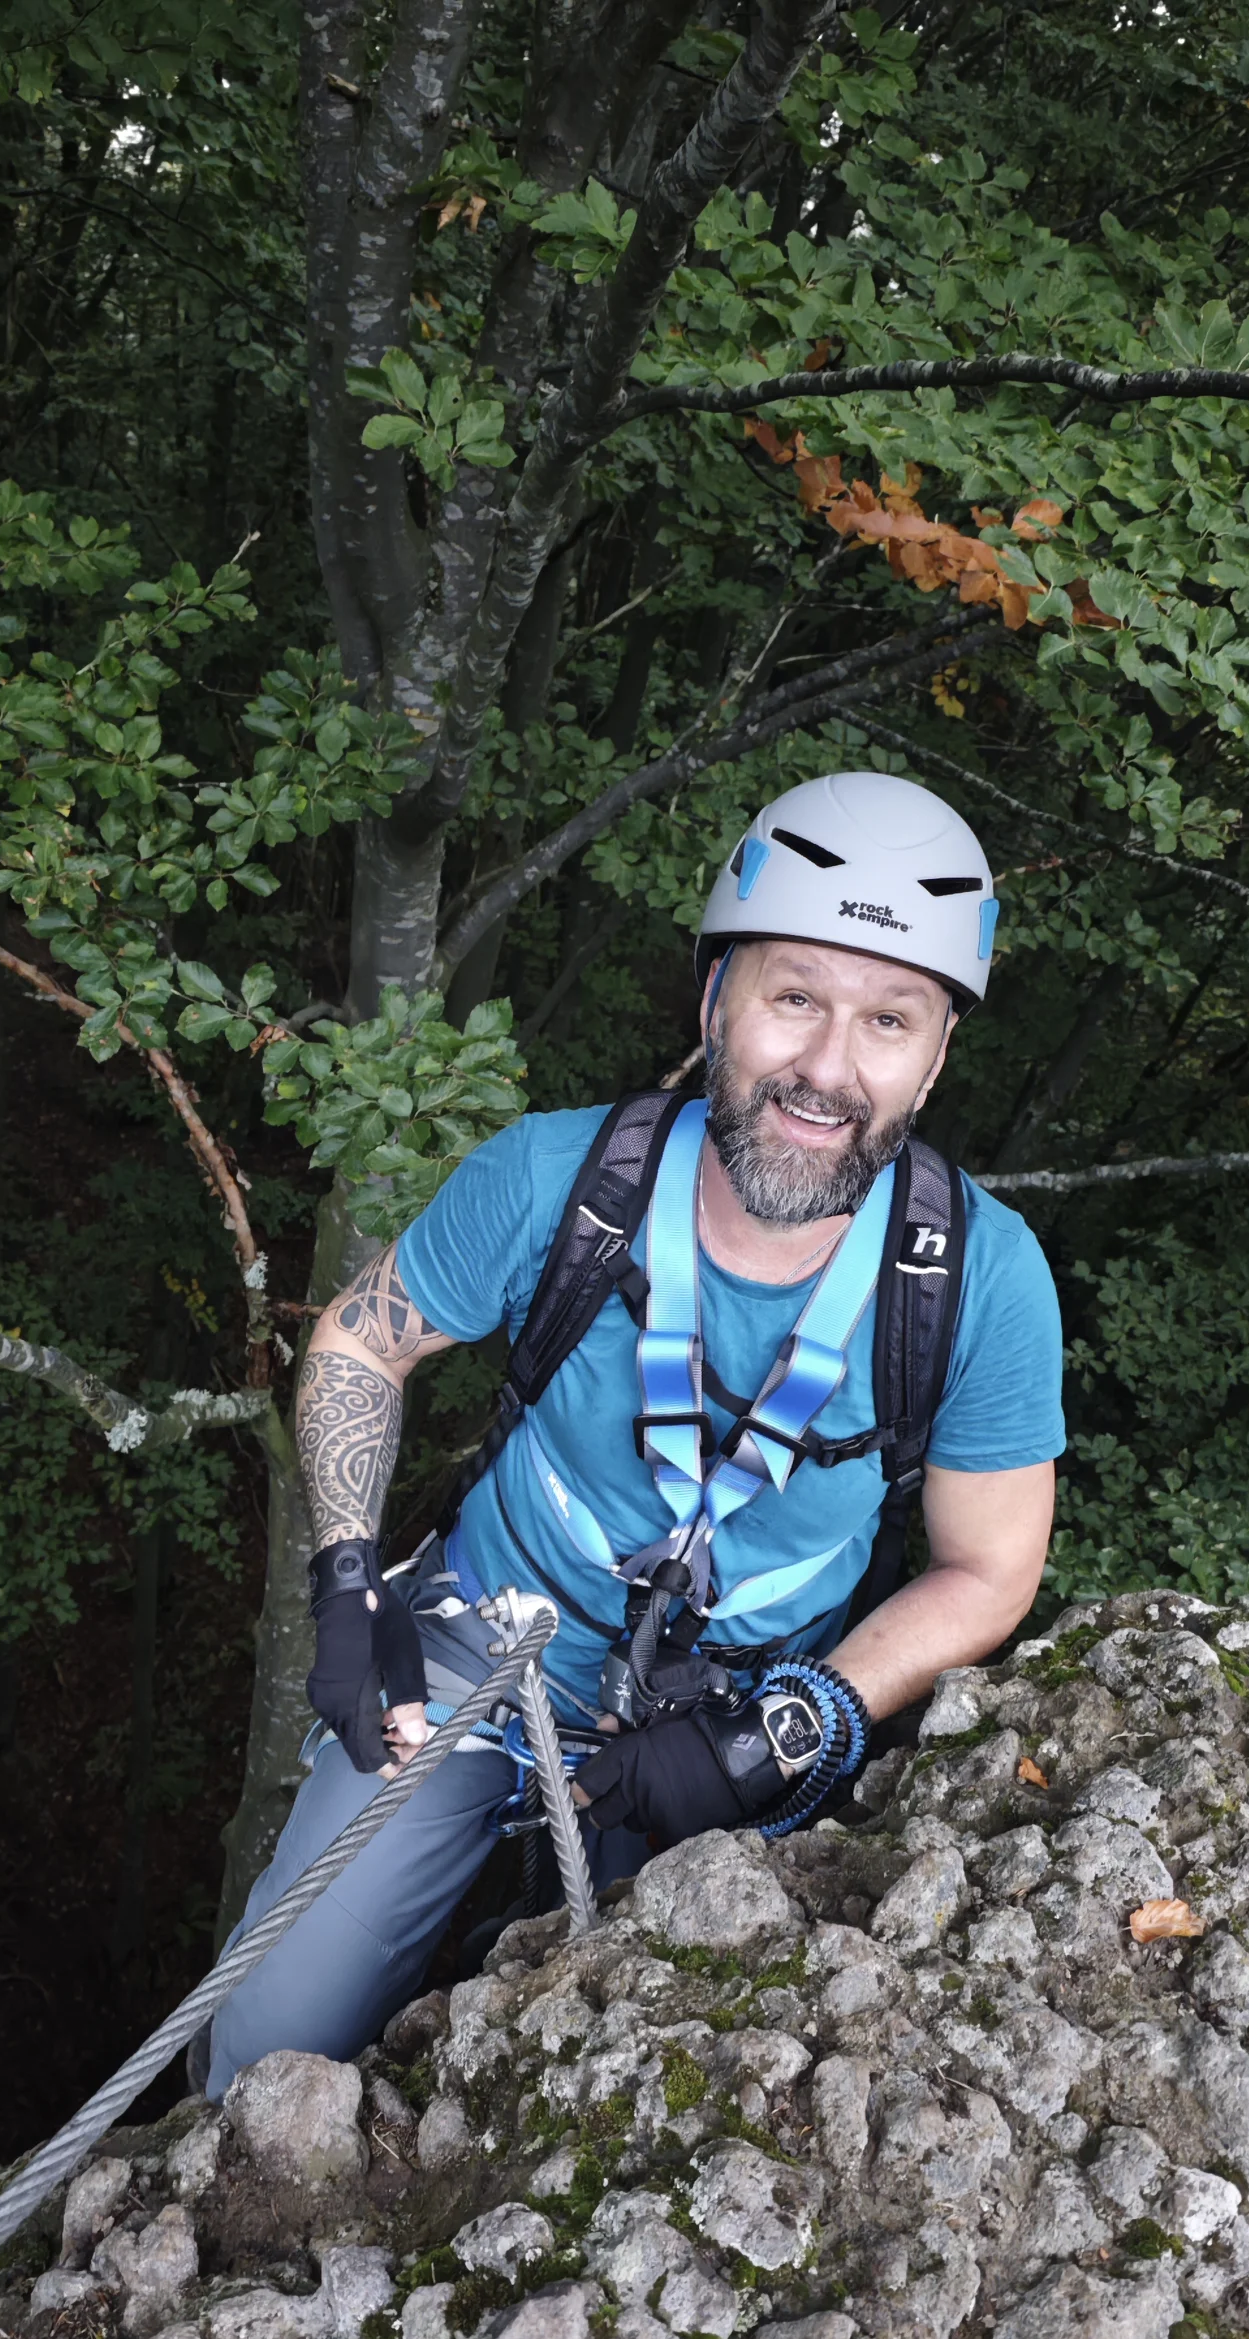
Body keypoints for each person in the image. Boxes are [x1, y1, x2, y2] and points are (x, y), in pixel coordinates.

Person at [205, 770, 1064, 2094]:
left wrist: (789, 1728)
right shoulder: (557, 1181)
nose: (830, 1071)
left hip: (745, 1711)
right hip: (481, 1646)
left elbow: (991, 1568)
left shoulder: (979, 1283)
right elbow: (362, 1342)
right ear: (716, 998)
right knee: (262, 2044)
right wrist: (345, 1580)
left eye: (889, 1020)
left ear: (938, 1054)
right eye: (794, 997)